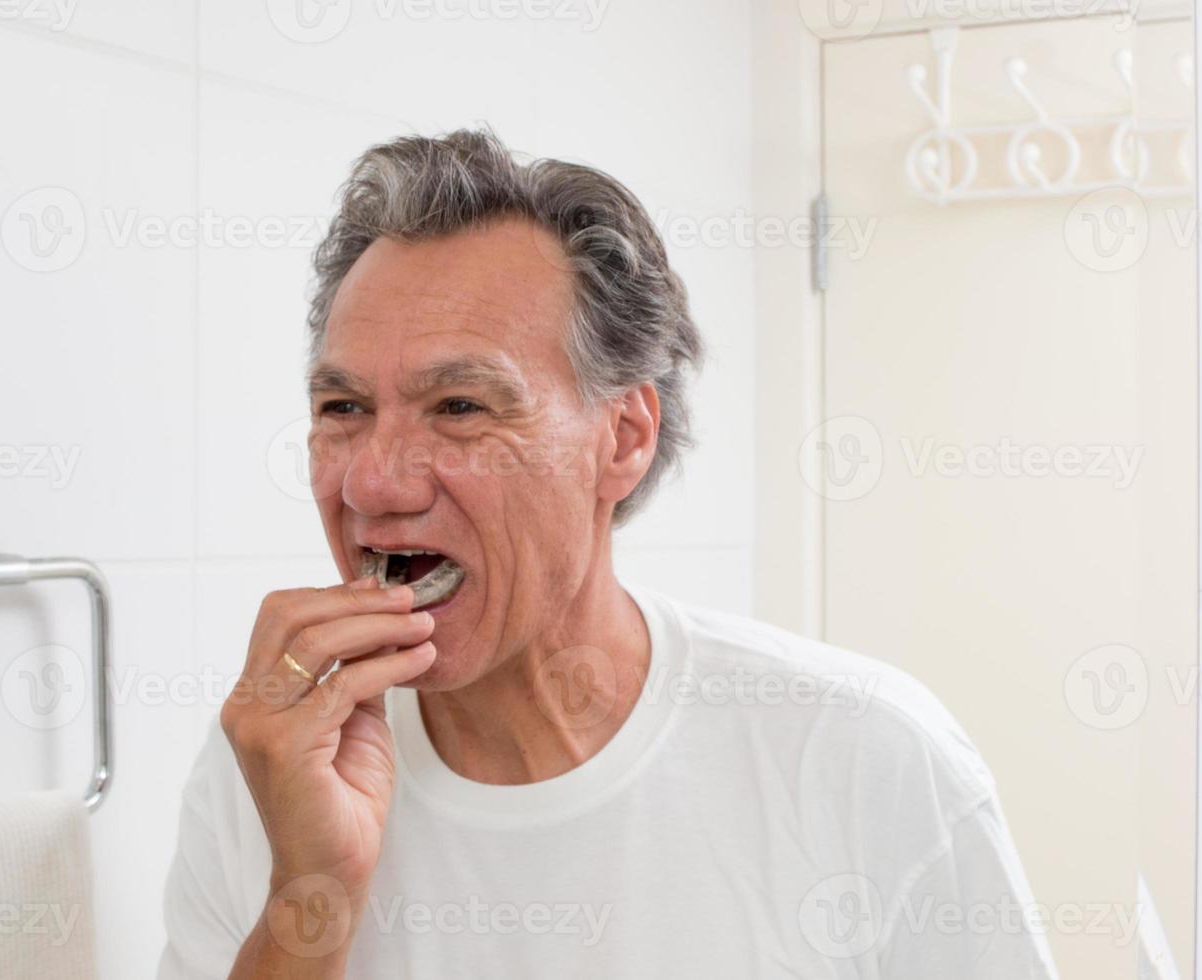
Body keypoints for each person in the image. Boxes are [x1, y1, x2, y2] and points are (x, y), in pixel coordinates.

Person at [158, 128, 1058, 979]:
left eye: (460, 407)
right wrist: (310, 895)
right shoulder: (276, 766)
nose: (374, 485)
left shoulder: (864, 755)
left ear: (622, 438)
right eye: (343, 410)